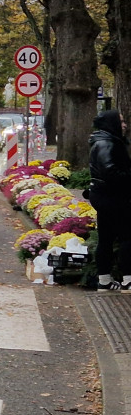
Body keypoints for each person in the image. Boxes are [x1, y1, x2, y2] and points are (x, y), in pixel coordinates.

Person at [88, 110, 131, 291]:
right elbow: (110, 171)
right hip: (115, 197)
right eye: (120, 121)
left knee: (106, 238)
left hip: (102, 196)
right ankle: (128, 279)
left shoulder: (100, 140)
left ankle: (104, 280)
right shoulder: (108, 143)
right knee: (127, 237)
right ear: (111, 123)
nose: (124, 125)